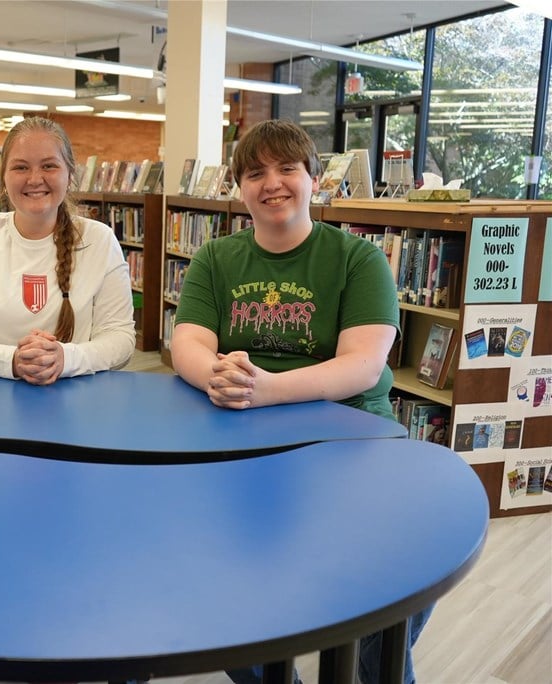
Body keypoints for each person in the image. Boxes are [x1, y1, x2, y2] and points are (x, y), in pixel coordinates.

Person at [170, 119, 430, 684]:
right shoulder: (216, 259)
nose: (273, 183)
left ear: (314, 179)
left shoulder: (359, 259)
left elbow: (363, 364)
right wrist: (216, 374)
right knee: (224, 569)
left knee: (413, 560)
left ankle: (371, 663)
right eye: (255, 172)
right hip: (242, 440)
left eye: (287, 168)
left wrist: (265, 390)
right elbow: (186, 341)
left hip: (353, 437)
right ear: (239, 187)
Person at [0, 117, 135, 383]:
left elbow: (121, 339)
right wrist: (12, 361)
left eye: (49, 166)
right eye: (21, 167)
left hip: (73, 400)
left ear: (70, 174)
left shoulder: (100, 240)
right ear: (3, 178)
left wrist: (65, 359)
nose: (35, 179)